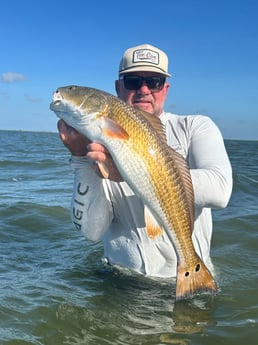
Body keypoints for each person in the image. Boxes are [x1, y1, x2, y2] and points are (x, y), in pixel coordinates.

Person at [57, 43, 233, 278]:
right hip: (122, 287)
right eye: (132, 81)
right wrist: (80, 158)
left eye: (155, 82)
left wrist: (128, 170)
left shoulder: (195, 127)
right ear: (118, 87)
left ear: (166, 88)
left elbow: (221, 192)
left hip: (192, 278)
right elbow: (91, 231)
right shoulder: (95, 143)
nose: (144, 89)